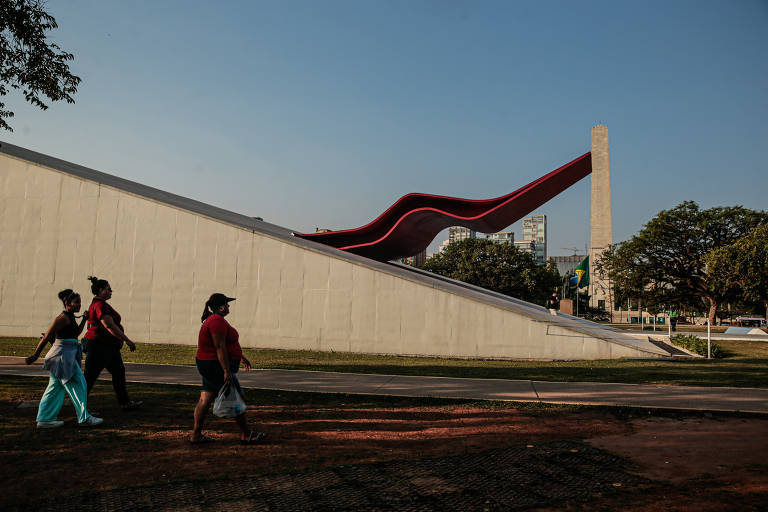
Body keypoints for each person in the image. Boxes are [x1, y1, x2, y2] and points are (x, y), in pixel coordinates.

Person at [190, 293, 265, 445]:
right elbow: (219, 346)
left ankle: (196, 435)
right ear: (222, 306)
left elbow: (225, 345)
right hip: (215, 365)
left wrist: (240, 356)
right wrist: (226, 371)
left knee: (206, 398)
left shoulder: (215, 320)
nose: (229, 307)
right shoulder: (217, 321)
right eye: (227, 304)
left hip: (209, 364)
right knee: (235, 397)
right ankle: (245, 434)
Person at [25, 289, 103, 428]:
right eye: (76, 302)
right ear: (67, 303)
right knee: (79, 384)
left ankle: (45, 419)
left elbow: (76, 333)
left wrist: (84, 319)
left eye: (80, 302)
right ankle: (84, 418)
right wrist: (35, 356)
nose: (79, 305)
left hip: (65, 356)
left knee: (55, 388)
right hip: (62, 357)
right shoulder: (62, 318)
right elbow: (47, 337)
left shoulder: (71, 316)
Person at [82, 276, 142, 410]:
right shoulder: (99, 305)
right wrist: (127, 340)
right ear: (101, 290)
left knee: (119, 372)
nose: (111, 292)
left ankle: (125, 403)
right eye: (109, 289)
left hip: (109, 347)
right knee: (89, 379)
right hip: (99, 346)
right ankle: (81, 410)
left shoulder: (101, 304)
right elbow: (109, 325)